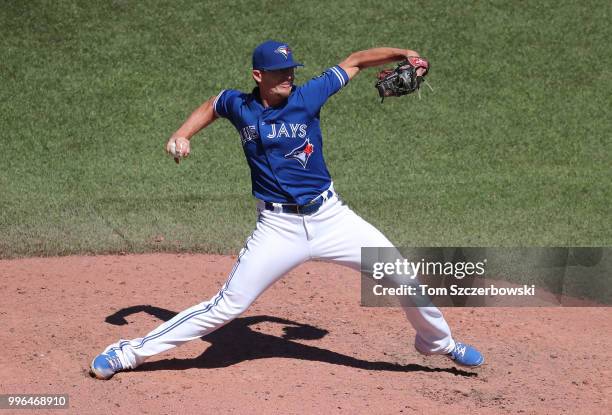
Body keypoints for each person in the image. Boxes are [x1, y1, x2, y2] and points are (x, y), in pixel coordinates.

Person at [90, 40, 484, 380]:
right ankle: (127, 352)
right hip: (278, 228)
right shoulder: (238, 104)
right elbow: (212, 105)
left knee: (400, 275)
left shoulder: (309, 95)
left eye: (291, 70)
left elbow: (356, 61)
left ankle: (438, 342)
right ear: (259, 74)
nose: (288, 77)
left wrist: (404, 52)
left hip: (332, 219)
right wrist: (181, 134)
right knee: (227, 306)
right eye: (279, 72)